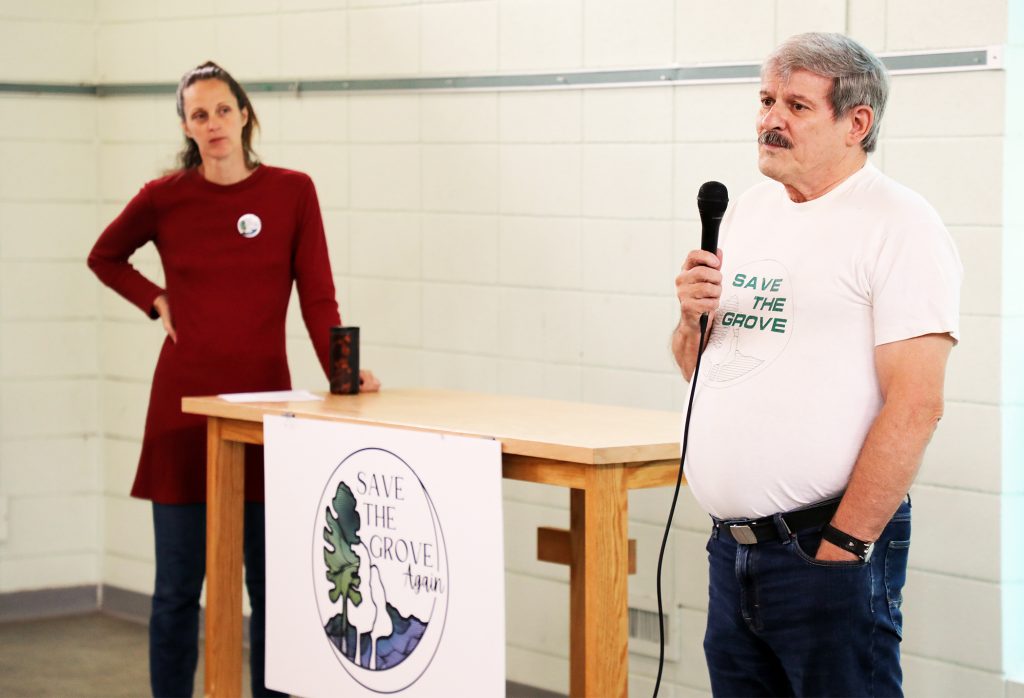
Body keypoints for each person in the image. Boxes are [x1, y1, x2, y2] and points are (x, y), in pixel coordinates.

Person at [671, 33, 961, 697]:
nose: (770, 119)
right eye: (767, 100)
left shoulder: (899, 225)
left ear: (856, 122)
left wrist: (844, 550)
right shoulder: (747, 209)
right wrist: (690, 319)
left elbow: (917, 404)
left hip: (824, 550)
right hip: (733, 550)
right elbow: (700, 367)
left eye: (797, 106)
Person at [88, 61, 380, 697]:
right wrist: (155, 299)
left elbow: (319, 296)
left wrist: (344, 375)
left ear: (244, 114)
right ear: (187, 127)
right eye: (199, 115)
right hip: (182, 411)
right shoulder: (164, 197)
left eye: (223, 110)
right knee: (175, 589)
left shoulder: (292, 191)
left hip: (264, 414)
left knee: (270, 585)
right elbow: (104, 256)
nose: (214, 123)